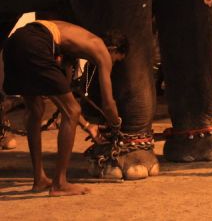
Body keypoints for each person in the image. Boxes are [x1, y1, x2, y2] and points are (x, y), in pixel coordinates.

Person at [3, 20, 126, 196]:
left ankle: (39, 179)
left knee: (35, 109)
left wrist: (87, 126)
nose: (113, 64)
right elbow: (108, 103)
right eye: (117, 60)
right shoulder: (100, 48)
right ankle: (59, 183)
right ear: (113, 50)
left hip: (15, 42)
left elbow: (63, 101)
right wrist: (116, 125)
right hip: (37, 42)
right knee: (73, 110)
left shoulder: (71, 47)